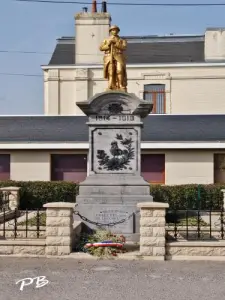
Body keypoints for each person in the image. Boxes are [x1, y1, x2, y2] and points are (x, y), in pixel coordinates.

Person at [99, 25, 127, 92]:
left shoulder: (121, 40)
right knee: (110, 71)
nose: (114, 31)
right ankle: (110, 85)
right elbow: (101, 48)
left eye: (116, 30)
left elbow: (124, 47)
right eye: (113, 30)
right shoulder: (106, 40)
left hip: (119, 56)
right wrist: (108, 44)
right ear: (110, 31)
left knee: (119, 70)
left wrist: (116, 43)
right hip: (109, 56)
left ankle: (120, 85)